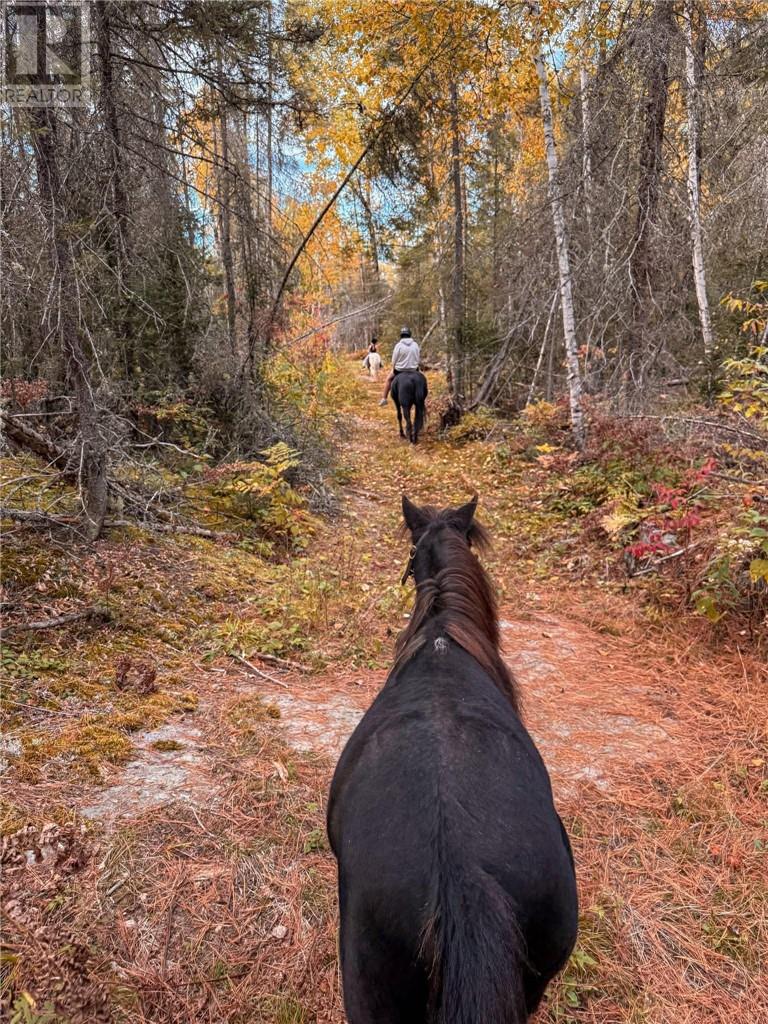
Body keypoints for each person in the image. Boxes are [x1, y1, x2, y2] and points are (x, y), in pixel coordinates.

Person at [378, 327, 421, 405]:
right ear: (410, 335)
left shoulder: (398, 345)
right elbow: (418, 357)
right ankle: (422, 400)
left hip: (400, 370)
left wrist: (393, 368)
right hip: (413, 369)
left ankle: (384, 399)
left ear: (401, 335)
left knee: (388, 379)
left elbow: (394, 360)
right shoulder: (415, 344)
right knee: (421, 381)